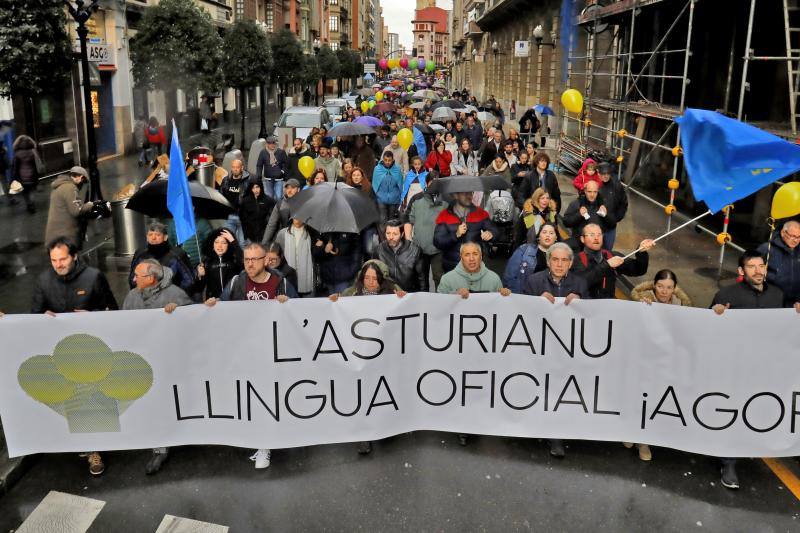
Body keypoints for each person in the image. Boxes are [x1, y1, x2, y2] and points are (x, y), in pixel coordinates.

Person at [710, 250, 800, 489]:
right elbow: (707, 328)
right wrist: (716, 314)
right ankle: (727, 461)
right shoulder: (727, 294)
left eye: (762, 266)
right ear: (741, 271)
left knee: (757, 406)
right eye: (752, 266)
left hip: (764, 365)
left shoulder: (777, 295)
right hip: (735, 365)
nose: (759, 271)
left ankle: (750, 445)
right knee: (733, 408)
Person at [205, 243, 297, 469]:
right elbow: (223, 306)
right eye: (246, 259)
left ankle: (265, 445)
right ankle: (260, 441)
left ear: (266, 260)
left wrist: (288, 305)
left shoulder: (281, 283)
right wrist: (212, 304)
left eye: (255, 259)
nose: (250, 264)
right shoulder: (237, 282)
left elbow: (300, 314)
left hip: (272, 352)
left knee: (267, 397)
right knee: (253, 398)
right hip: (244, 351)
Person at [32, 237, 117, 476]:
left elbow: (113, 310)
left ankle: (94, 449)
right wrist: (42, 318)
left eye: (63, 259)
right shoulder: (43, 280)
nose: (58, 264)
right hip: (61, 352)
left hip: (91, 350)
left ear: (75, 256)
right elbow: (34, 314)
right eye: (54, 260)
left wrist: (92, 315)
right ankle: (83, 442)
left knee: (91, 398)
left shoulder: (93, 277)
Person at [329, 261, 407, 454]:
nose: (370, 282)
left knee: (382, 392)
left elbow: (407, 311)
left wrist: (404, 299)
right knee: (362, 392)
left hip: (385, 353)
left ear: (382, 279)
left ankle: (384, 426)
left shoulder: (393, 291)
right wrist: (333, 301)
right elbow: (336, 311)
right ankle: (363, 436)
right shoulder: (351, 293)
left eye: (375, 278)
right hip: (360, 353)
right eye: (367, 278)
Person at [123, 259, 193, 475]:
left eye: (138, 276)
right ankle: (159, 447)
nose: (133, 279)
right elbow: (120, 322)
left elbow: (194, 322)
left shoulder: (176, 295)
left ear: (151, 278)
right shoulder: (132, 296)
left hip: (170, 360)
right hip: (143, 360)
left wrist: (179, 312)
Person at [437, 241, 510, 446]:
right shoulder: (448, 279)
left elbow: (502, 313)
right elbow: (436, 311)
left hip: (484, 344)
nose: (471, 258)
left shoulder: (494, 279)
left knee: (481, 383)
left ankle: (480, 418)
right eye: (467, 254)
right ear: (461, 257)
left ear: (481, 256)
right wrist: (451, 298)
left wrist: (505, 296)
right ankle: (463, 425)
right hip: (458, 344)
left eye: (475, 254)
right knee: (461, 384)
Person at [571, 223, 654, 299]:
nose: (596, 238)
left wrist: (641, 252)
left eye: (599, 234)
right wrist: (607, 265)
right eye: (592, 235)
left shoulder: (612, 256)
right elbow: (579, 284)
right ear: (582, 239)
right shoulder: (576, 260)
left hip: (609, 306)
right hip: (586, 308)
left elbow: (639, 270)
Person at [433, 191, 497, 273]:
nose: (469, 196)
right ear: (455, 195)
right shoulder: (444, 216)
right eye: (465, 194)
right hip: (453, 268)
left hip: (476, 266)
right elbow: (438, 242)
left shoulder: (480, 213)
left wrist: (491, 234)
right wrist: (456, 235)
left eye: (471, 193)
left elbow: (495, 230)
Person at [129, 222, 195, 293]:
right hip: (145, 297)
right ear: (147, 237)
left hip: (172, 299)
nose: (153, 238)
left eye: (158, 235)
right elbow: (132, 278)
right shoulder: (140, 253)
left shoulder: (177, 254)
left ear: (165, 237)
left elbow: (189, 280)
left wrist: (176, 295)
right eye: (150, 235)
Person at [44, 166, 95, 248]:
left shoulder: (59, 186)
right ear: (80, 177)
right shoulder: (70, 188)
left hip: (55, 235)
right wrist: (90, 205)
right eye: (83, 181)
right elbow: (76, 211)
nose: (82, 185)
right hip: (65, 236)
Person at [504, 223, 558, 294]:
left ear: (556, 238)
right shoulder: (524, 250)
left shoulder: (560, 255)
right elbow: (510, 275)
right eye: (544, 232)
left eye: (551, 233)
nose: (547, 235)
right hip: (525, 294)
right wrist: (516, 296)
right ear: (539, 236)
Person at [757, 220, 800, 307]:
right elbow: (750, 272)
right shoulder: (766, 249)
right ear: (783, 233)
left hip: (795, 304)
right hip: (770, 301)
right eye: (792, 236)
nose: (795, 240)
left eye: (799, 237)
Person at [376, 219, 425, 292]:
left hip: (409, 294)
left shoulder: (415, 250)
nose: (391, 237)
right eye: (388, 233)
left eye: (395, 234)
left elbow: (422, 279)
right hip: (386, 294)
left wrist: (422, 297)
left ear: (402, 234)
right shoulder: (379, 250)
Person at [194, 228, 243, 300]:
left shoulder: (234, 260)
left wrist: (233, 242)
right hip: (214, 304)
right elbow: (198, 289)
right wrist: (200, 276)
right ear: (212, 245)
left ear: (229, 245)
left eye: (224, 243)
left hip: (233, 302)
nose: (219, 246)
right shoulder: (206, 263)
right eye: (216, 242)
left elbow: (244, 263)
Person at [274, 218, 316, 297]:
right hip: (288, 275)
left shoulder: (311, 233)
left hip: (306, 276)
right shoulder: (283, 233)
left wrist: (321, 246)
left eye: (300, 217)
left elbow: (315, 254)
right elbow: (277, 252)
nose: (297, 220)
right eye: (295, 217)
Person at [219, 158, 254, 243]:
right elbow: (221, 196)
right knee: (226, 241)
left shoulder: (248, 181)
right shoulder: (226, 180)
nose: (235, 169)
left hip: (243, 217)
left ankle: (243, 256)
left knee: (243, 243)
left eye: (237, 167)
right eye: (233, 167)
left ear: (242, 168)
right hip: (230, 216)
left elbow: (252, 198)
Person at [596, 162, 629, 250]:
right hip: (596, 227)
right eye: (603, 174)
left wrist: (616, 218)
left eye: (608, 173)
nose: (605, 176)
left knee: (608, 252)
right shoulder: (593, 185)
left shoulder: (617, 186)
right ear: (598, 173)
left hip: (610, 227)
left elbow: (623, 204)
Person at [261, 178, 302, 244]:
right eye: (287, 188)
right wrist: (264, 243)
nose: (289, 190)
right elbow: (271, 225)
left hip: (300, 238)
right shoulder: (280, 204)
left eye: (292, 188)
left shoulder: (303, 203)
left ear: (298, 189)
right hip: (285, 238)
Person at [372, 150, 404, 224]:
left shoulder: (397, 169)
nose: (387, 162)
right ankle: (383, 235)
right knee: (382, 219)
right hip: (381, 198)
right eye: (385, 160)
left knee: (392, 220)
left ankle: (390, 235)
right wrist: (377, 195)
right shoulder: (377, 169)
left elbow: (400, 184)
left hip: (394, 199)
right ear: (383, 159)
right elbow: (374, 184)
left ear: (393, 160)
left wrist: (400, 198)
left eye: (389, 160)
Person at [10, 135, 40, 213]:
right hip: (32, 176)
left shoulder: (17, 154)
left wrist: (14, 177)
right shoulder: (33, 152)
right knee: (32, 191)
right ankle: (32, 204)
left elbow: (15, 167)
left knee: (25, 192)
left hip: (22, 177)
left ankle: (28, 204)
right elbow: (37, 164)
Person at [256, 136, 289, 200]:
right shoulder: (263, 152)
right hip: (268, 178)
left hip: (279, 178)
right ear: (267, 144)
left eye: (274, 143)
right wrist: (259, 175)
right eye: (270, 143)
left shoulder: (281, 152)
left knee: (278, 196)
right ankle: (271, 209)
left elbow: (286, 163)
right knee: (269, 196)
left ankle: (278, 209)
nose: (272, 145)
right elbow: (259, 165)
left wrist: (282, 171)